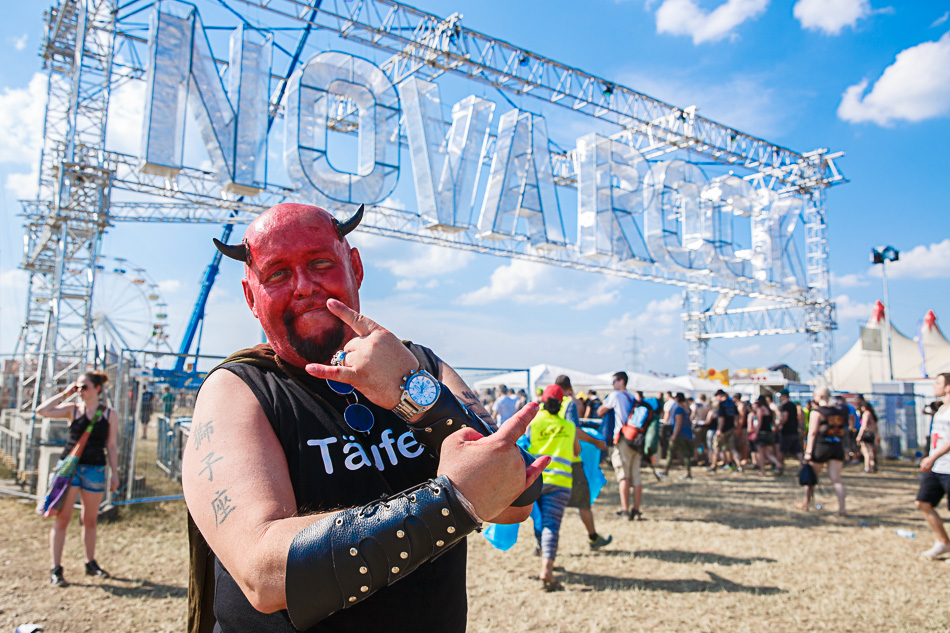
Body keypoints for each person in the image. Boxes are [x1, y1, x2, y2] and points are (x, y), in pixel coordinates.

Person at [181, 203, 547, 633]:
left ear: (354, 267)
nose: (303, 286)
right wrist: (454, 502)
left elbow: (516, 496)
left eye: (320, 263)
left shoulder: (417, 363)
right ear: (250, 297)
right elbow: (264, 573)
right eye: (277, 274)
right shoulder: (237, 389)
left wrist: (414, 395)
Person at [34, 370, 119, 586]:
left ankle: (90, 562)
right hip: (69, 470)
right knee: (62, 518)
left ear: (97, 388)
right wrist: (66, 393)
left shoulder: (109, 414)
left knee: (89, 520)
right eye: (78, 387)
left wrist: (115, 474)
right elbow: (42, 410)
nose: (80, 391)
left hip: (95, 470)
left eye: (84, 387)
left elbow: (111, 445)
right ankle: (56, 568)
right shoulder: (72, 409)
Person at [527, 384, 581, 591]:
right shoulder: (569, 427)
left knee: (539, 520)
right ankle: (547, 569)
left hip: (535, 480)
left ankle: (543, 556)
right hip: (560, 483)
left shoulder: (534, 422)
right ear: (561, 403)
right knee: (551, 524)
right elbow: (576, 451)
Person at [553, 375, 611, 550]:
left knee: (549, 507)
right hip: (569, 460)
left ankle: (541, 544)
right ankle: (593, 538)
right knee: (583, 502)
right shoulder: (568, 404)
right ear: (569, 388)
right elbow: (575, 431)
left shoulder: (543, 407)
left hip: (549, 463)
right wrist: (596, 442)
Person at [798, 386, 847, 516]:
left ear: (819, 397)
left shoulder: (816, 413)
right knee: (836, 479)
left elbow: (812, 433)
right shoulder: (838, 412)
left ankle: (805, 503)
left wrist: (808, 452)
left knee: (811, 478)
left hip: (821, 447)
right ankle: (842, 509)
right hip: (837, 446)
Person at [916, 373, 950, 561]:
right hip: (936, 467)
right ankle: (943, 542)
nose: (933, 386)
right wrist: (930, 458)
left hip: (946, 466)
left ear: (948, 387)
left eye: (938, 383)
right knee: (923, 502)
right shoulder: (940, 410)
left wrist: (933, 457)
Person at [598, 372, 638, 519]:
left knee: (623, 476)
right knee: (636, 477)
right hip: (635, 438)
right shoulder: (631, 397)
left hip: (621, 438)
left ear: (621, 381)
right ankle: (636, 510)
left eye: (614, 380)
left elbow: (601, 411)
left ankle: (625, 510)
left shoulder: (615, 395)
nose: (612, 384)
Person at [657, 393, 693, 479]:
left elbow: (678, 423)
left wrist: (674, 435)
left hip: (679, 434)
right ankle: (667, 471)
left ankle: (667, 471)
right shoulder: (687, 408)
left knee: (673, 453)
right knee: (683, 454)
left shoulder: (679, 409)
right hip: (687, 434)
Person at [710, 390, 742, 473]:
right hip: (731, 429)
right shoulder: (732, 404)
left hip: (723, 430)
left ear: (720, 395)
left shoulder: (722, 404)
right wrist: (736, 427)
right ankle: (739, 466)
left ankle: (713, 466)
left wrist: (719, 430)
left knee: (716, 448)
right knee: (733, 448)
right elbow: (737, 416)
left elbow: (721, 418)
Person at [752, 395, 783, 476]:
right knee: (769, 453)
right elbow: (773, 423)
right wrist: (776, 429)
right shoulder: (769, 410)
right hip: (769, 433)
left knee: (761, 453)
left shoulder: (760, 410)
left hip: (762, 434)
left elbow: (759, 423)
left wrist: (756, 434)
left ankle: (762, 471)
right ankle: (778, 464)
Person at [776, 389, 802, 465]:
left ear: (784, 396)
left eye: (781, 396)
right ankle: (803, 465)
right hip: (794, 430)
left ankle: (779, 466)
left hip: (787, 431)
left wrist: (777, 426)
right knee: (798, 450)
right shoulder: (793, 405)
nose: (780, 397)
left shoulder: (786, 406)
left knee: (782, 450)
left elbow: (785, 418)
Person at [855, 400, 879, 473]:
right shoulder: (871, 414)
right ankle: (873, 464)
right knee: (869, 450)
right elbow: (875, 426)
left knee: (865, 451)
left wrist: (859, 435)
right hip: (871, 434)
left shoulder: (866, 414)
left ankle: (867, 468)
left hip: (866, 434)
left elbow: (864, 425)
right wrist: (877, 435)